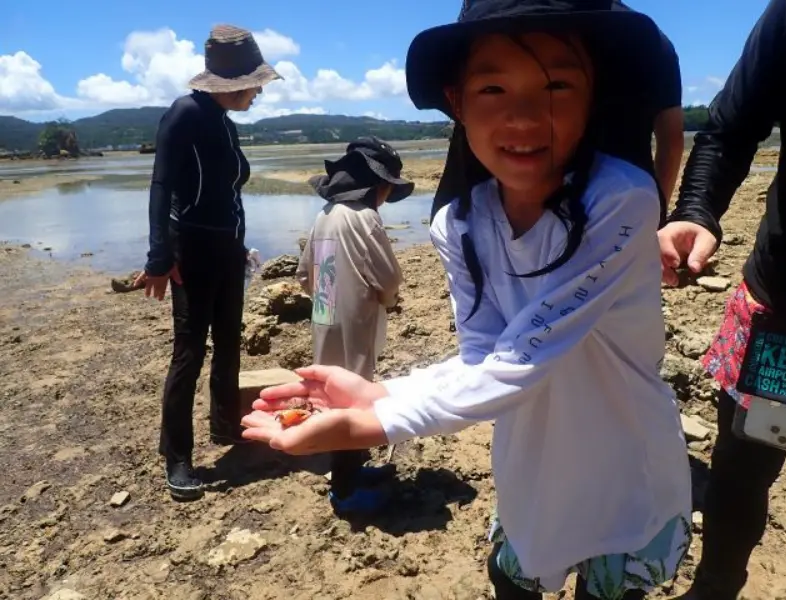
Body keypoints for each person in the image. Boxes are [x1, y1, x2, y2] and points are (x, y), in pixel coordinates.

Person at [241, 1, 693, 598]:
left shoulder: (621, 201)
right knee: (511, 579)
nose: (526, 115)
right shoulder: (457, 224)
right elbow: (489, 357)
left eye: (557, 84)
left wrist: (373, 420)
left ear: (593, 96)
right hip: (533, 460)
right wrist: (386, 392)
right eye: (494, 87)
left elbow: (526, 358)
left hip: (623, 459)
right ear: (457, 101)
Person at [658, 1, 786, 597]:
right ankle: (716, 585)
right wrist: (697, 210)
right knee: (743, 469)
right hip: (783, 309)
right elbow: (732, 127)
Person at [134, 24, 282, 501]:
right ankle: (176, 457)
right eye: (255, 83)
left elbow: (225, 198)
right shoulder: (184, 114)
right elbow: (162, 188)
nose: (259, 91)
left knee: (230, 343)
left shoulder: (222, 123)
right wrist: (160, 256)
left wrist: (240, 246)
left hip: (225, 251)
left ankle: (226, 427)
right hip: (191, 253)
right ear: (232, 81)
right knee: (190, 351)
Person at [430, 0, 684, 225]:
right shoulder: (643, 39)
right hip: (614, 193)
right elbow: (671, 139)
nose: (523, 120)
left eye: (556, 86)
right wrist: (654, 221)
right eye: (494, 89)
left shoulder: (484, 15)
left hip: (493, 188)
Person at [296, 136, 412, 515]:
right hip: (355, 325)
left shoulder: (325, 215)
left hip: (324, 320)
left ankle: (351, 474)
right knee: (353, 401)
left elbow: (304, 275)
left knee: (330, 398)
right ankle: (346, 491)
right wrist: (387, 301)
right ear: (378, 187)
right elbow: (388, 279)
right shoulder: (365, 219)